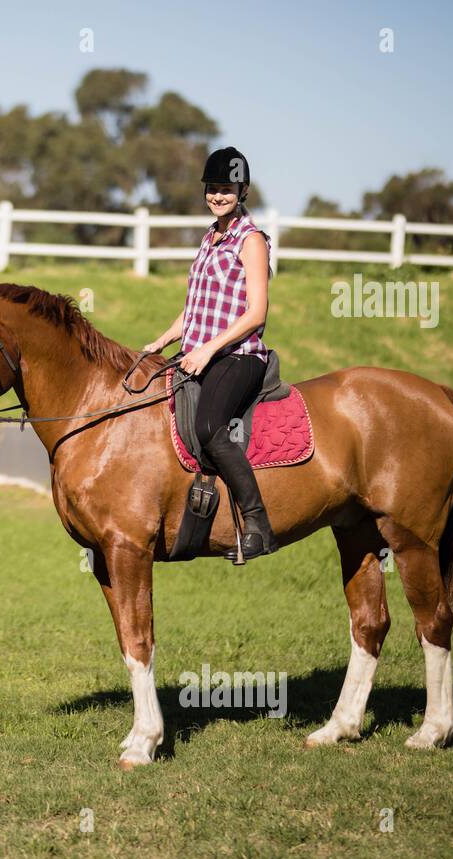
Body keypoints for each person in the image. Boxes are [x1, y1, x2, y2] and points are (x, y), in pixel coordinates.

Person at [144, 146, 278, 560]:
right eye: (213, 189)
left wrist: (207, 350)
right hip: (199, 352)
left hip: (239, 356)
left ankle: (257, 523)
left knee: (209, 427)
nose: (218, 196)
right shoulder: (210, 237)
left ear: (243, 190)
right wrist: (162, 339)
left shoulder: (250, 240)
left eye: (227, 189)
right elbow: (196, 307)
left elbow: (256, 313)